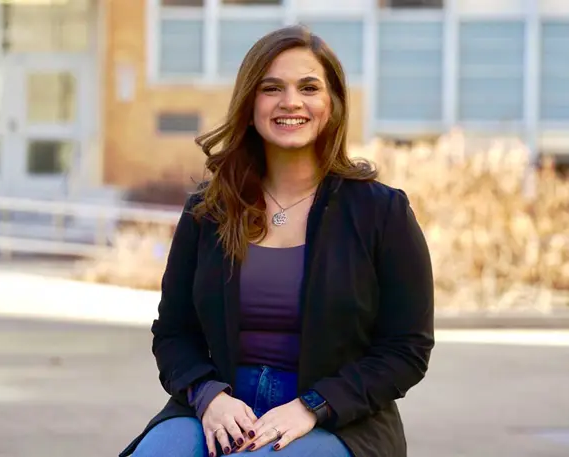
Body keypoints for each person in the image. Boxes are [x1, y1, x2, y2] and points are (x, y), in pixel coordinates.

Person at [118, 25, 434, 457]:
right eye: (272, 88)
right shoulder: (208, 210)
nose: (291, 102)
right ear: (250, 105)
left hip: (338, 419)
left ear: (332, 105)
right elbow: (174, 333)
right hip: (220, 408)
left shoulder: (381, 212)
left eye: (309, 87)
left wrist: (313, 406)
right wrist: (208, 396)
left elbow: (407, 348)